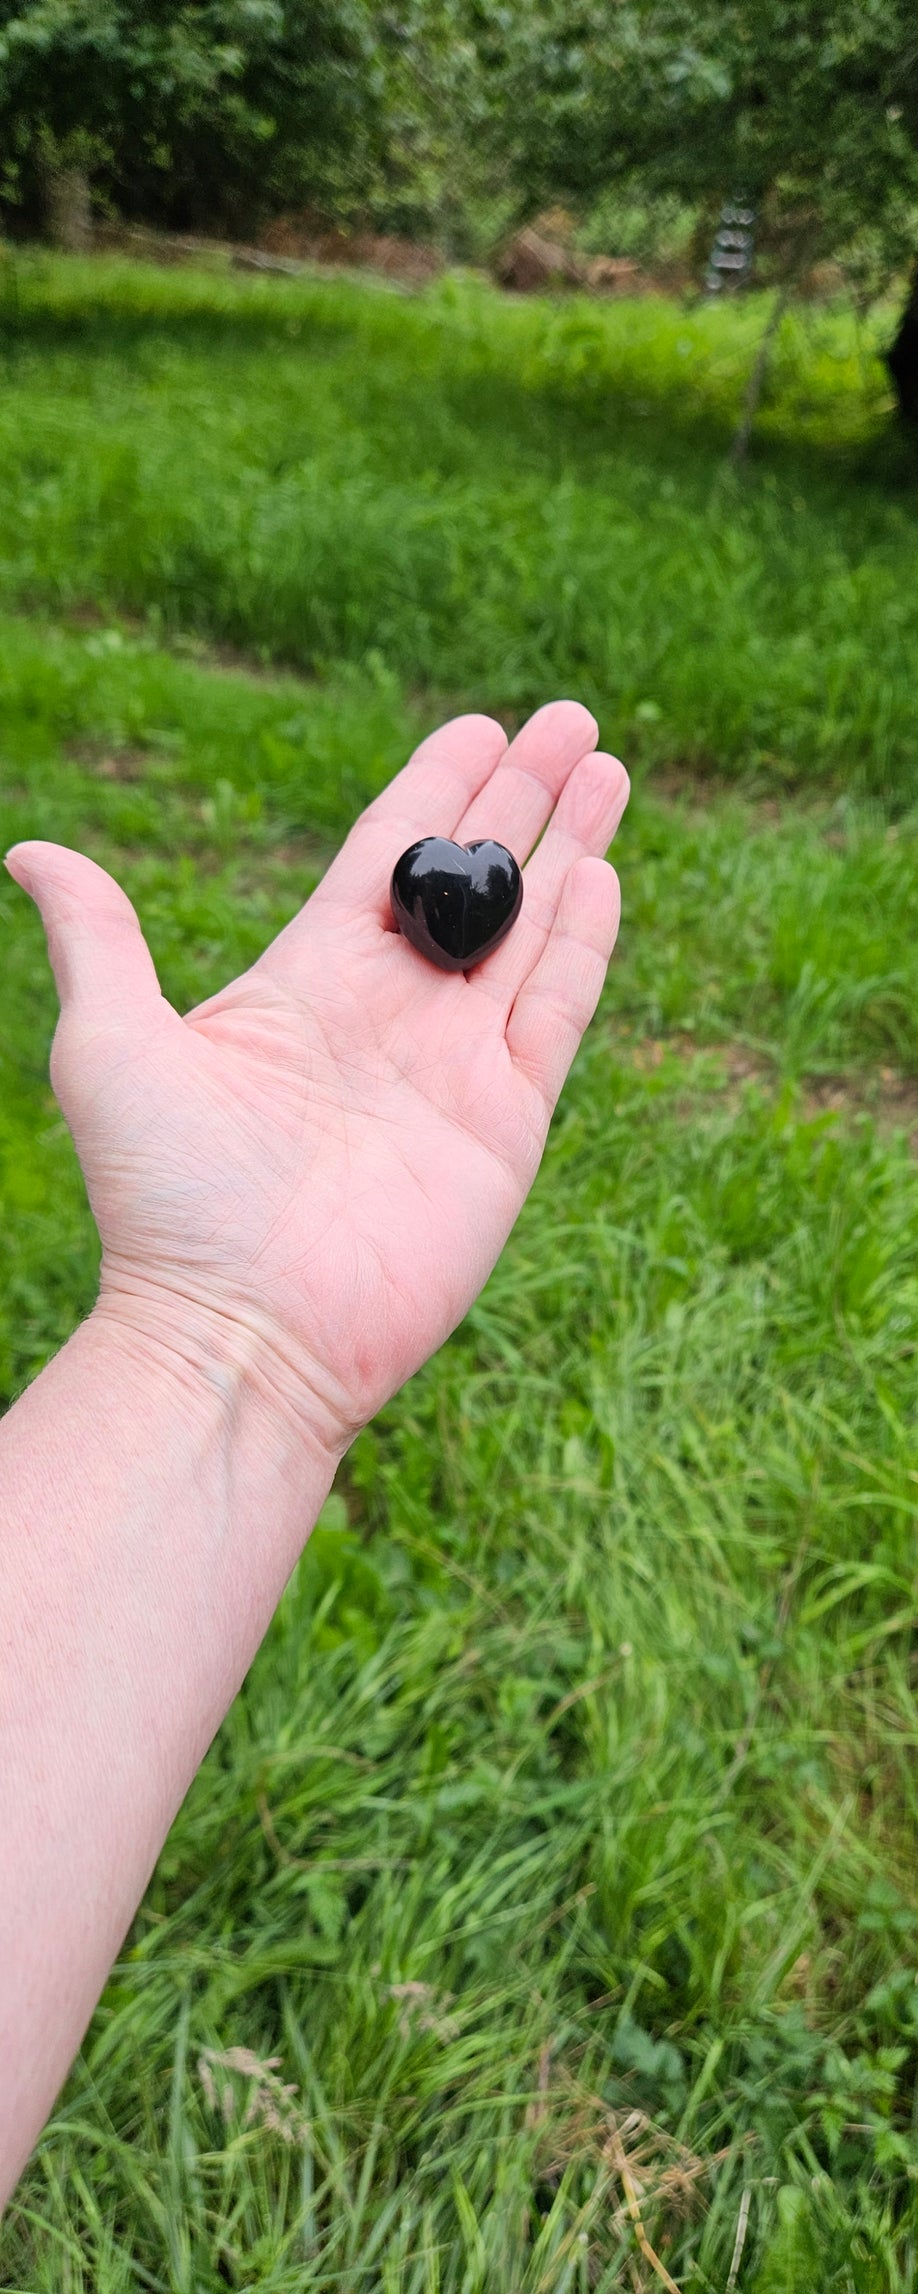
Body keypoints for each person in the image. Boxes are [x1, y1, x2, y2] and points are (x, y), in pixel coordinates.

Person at [0, 700, 628, 2206]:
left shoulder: (444, 891)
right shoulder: (440, 902)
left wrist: (214, 1336)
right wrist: (216, 1319)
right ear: (436, 903)